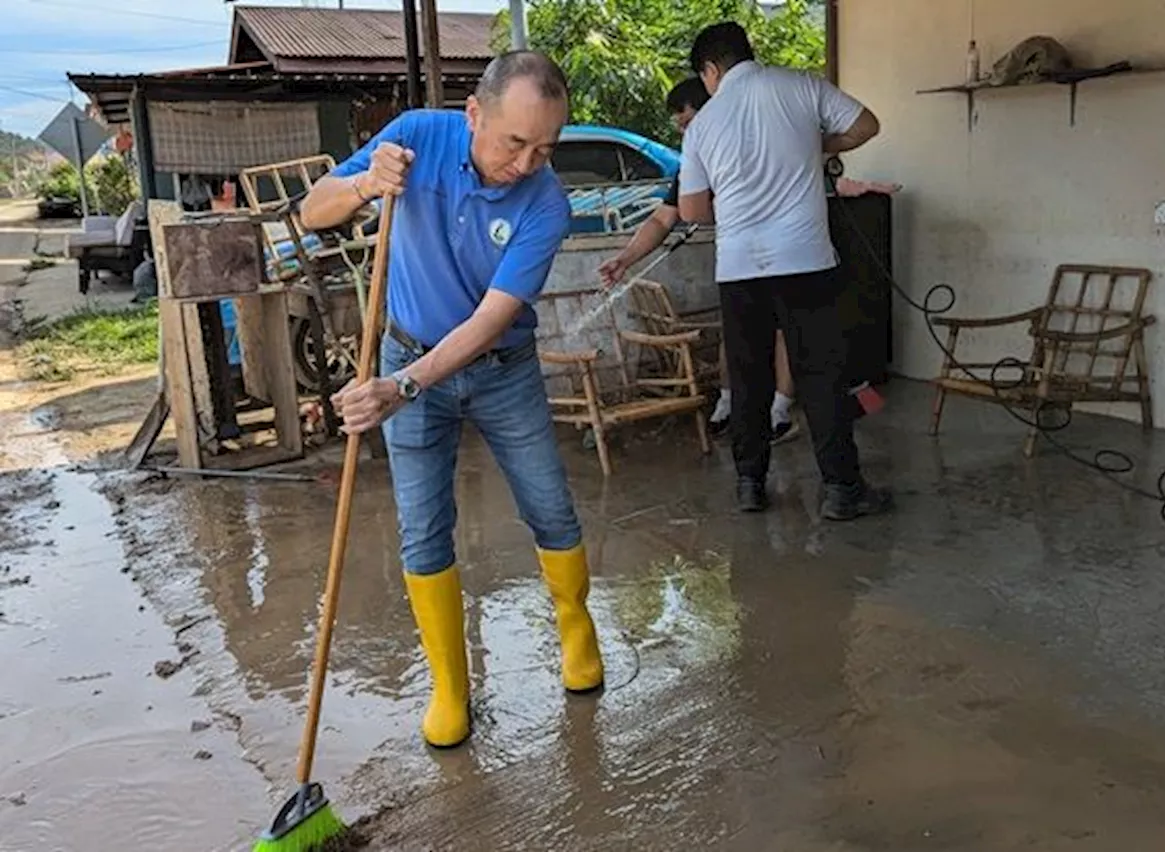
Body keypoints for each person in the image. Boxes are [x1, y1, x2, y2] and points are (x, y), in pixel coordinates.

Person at [299, 51, 603, 749]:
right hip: (404, 346)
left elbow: (491, 319)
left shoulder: (547, 202)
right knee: (424, 527)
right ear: (473, 115)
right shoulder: (414, 137)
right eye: (514, 143)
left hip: (499, 367)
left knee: (550, 508)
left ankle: (577, 631)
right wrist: (364, 187)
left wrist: (402, 388)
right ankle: (449, 687)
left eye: (546, 148)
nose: (527, 163)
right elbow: (314, 209)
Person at [677, 22, 893, 520]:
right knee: (821, 375)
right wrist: (812, 147)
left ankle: (750, 485)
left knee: (748, 378)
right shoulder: (801, 86)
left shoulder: (705, 124)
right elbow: (867, 126)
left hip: (739, 268)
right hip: (806, 262)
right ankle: (842, 490)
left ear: (711, 70)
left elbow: (689, 211)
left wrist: (733, 205)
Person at [597, 77, 798, 443]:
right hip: (738, 262)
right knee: (735, 333)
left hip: (787, 255)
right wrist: (625, 258)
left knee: (784, 332)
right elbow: (664, 217)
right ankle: (728, 403)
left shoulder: (758, 141)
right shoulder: (694, 158)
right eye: (681, 127)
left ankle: (779, 412)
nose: (686, 132)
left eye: (687, 122)